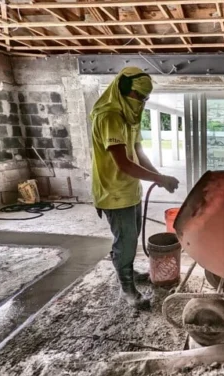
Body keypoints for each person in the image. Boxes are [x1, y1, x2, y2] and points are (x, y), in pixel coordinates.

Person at [91, 67, 179, 309]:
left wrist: (159, 176)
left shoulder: (130, 118)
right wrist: (160, 180)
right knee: (126, 240)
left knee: (131, 236)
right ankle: (127, 289)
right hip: (113, 192)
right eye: (138, 96)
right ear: (123, 90)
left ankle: (127, 270)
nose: (141, 102)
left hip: (130, 190)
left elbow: (139, 154)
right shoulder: (109, 117)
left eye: (145, 98)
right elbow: (123, 163)